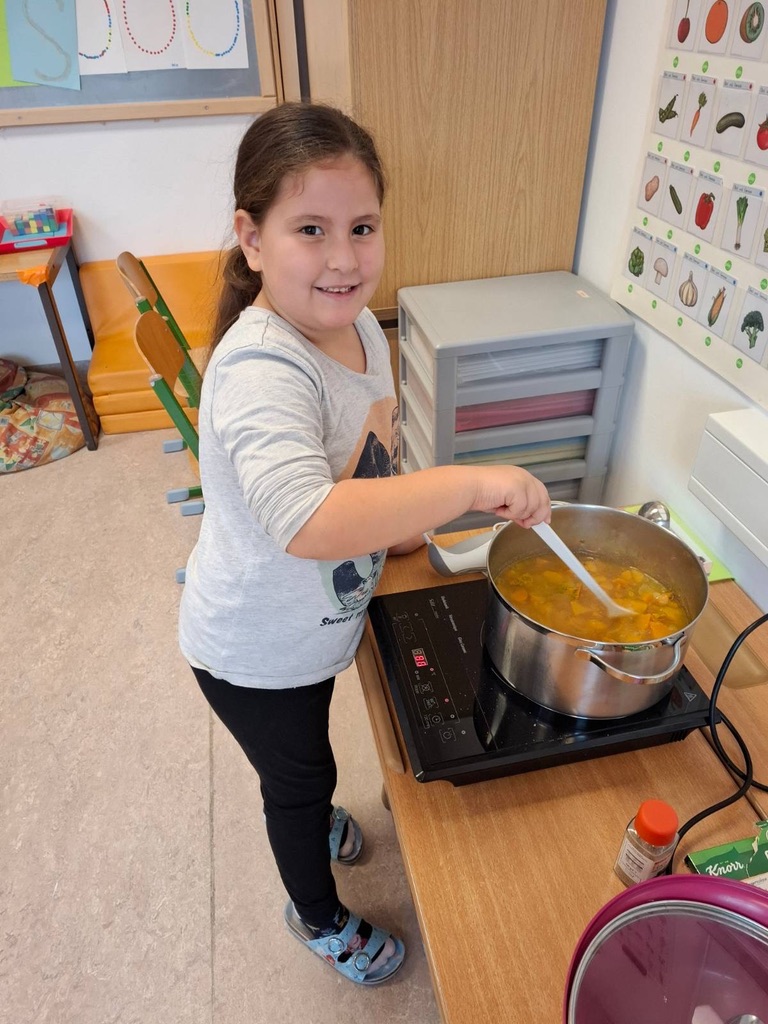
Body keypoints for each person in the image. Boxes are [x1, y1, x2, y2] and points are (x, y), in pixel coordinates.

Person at [179, 102, 550, 986]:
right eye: (311, 229)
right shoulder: (261, 366)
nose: (344, 258)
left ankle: (314, 814)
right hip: (254, 650)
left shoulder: (354, 329)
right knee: (299, 777)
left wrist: (404, 521)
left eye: (362, 227)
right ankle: (315, 914)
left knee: (311, 758)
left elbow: (368, 455)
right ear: (252, 238)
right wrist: (465, 485)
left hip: (312, 628)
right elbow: (308, 518)